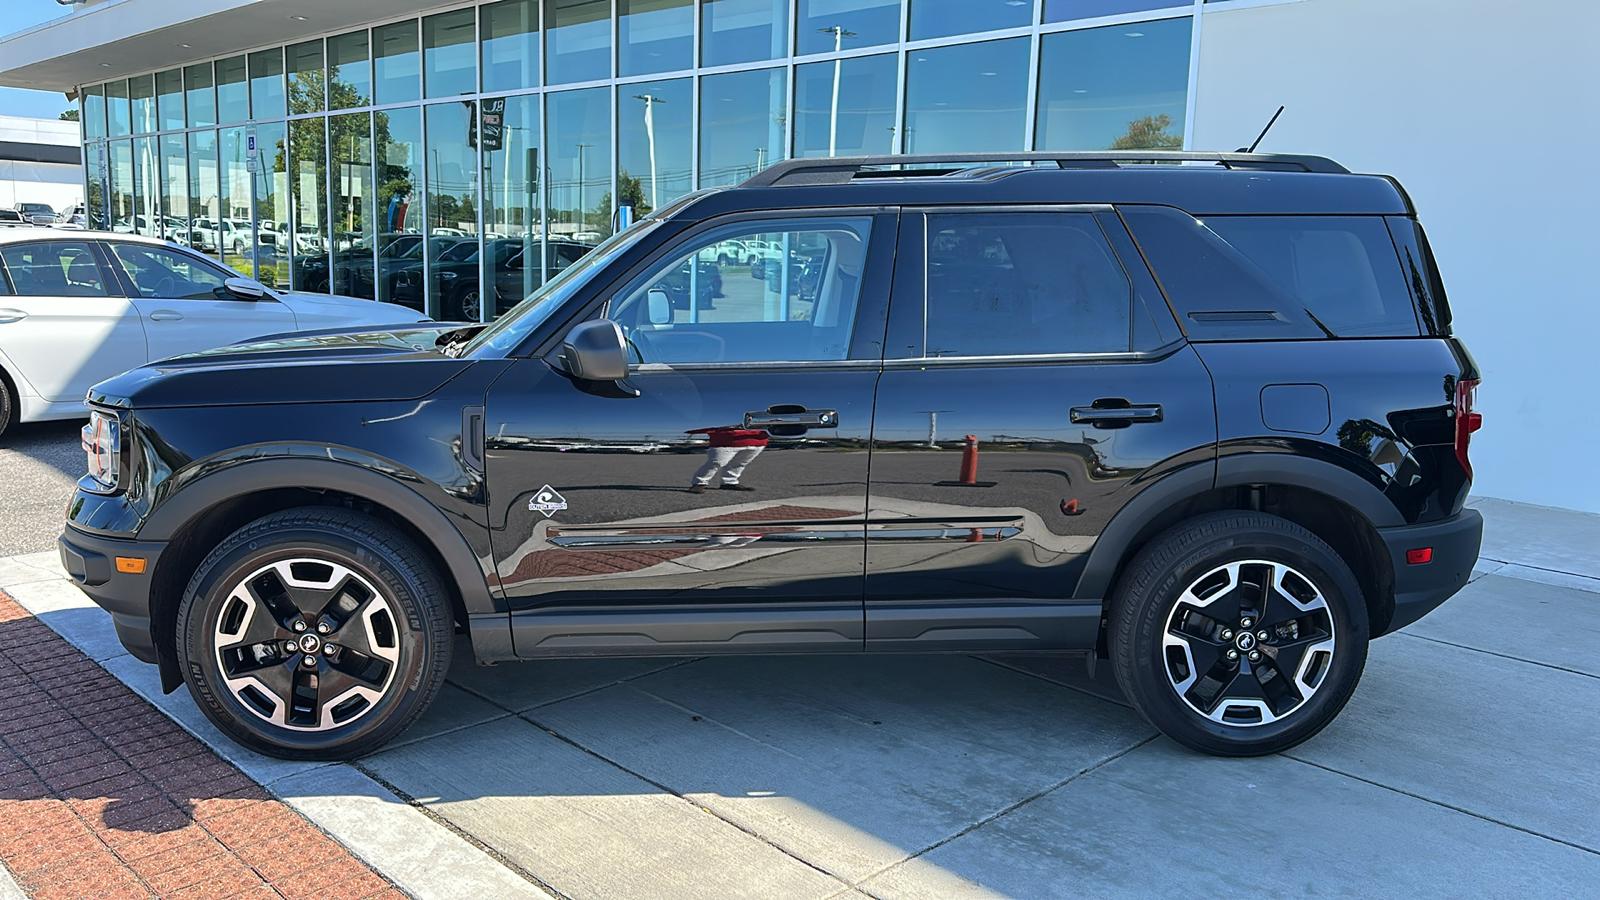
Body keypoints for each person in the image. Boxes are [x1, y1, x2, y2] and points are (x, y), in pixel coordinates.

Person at [687, 425, 769, 493]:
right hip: (726, 440)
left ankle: (729, 482)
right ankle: (698, 483)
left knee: (740, 463)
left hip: (758, 440)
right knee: (716, 463)